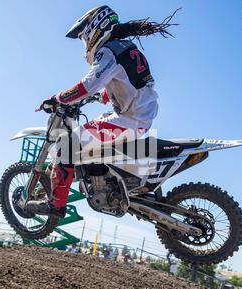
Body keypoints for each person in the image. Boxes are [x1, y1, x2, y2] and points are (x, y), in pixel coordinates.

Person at [28, 5, 179, 218]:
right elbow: (125, 84)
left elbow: (86, 85)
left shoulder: (108, 51)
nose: (85, 43)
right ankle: (108, 181)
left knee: (66, 145)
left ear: (95, 29)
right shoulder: (125, 47)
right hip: (138, 117)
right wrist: (98, 97)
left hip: (130, 119)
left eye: (84, 37)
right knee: (90, 133)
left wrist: (57, 99)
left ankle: (56, 205)